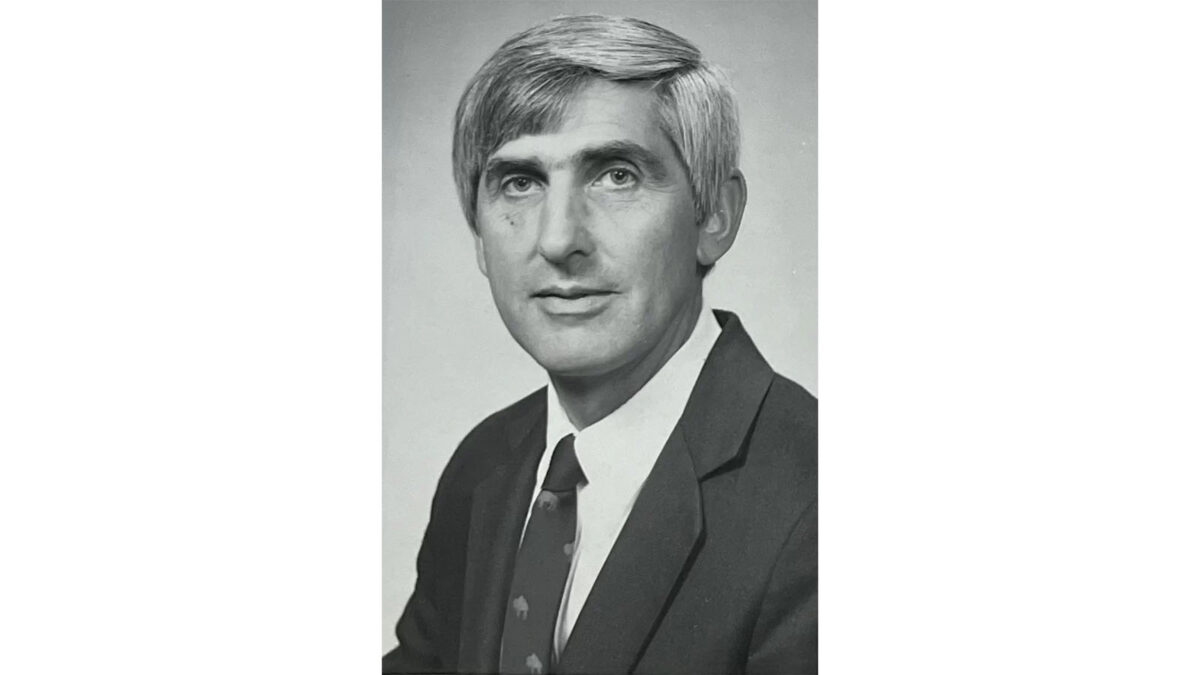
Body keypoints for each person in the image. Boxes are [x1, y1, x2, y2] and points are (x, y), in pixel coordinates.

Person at [384, 14, 816, 675]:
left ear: (715, 215)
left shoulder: (822, 496)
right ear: (477, 237)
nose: (559, 239)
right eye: (519, 182)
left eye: (616, 174)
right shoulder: (483, 467)